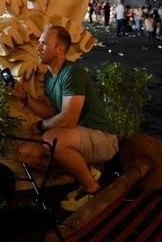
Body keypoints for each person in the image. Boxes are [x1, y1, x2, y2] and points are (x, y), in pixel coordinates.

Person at [15, 25, 118, 211]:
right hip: (77, 138)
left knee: (51, 139)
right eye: (39, 43)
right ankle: (87, 171)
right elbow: (52, 113)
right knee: (25, 152)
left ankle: (91, 189)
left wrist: (40, 126)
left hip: (102, 138)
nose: (38, 48)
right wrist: (25, 98)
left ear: (60, 48)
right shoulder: (50, 78)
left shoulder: (72, 73)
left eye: (44, 43)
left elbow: (68, 120)